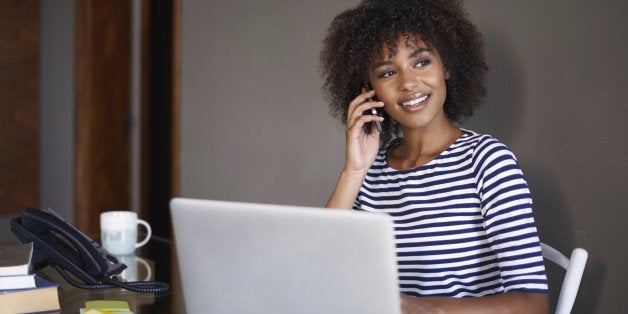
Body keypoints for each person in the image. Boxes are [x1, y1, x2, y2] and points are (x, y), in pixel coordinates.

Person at [319, 0, 549, 313]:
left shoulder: (487, 161)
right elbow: (316, 265)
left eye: (422, 61)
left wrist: (427, 309)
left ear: (447, 66)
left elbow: (533, 303)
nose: (408, 82)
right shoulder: (371, 173)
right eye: (387, 72)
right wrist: (354, 171)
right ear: (369, 90)